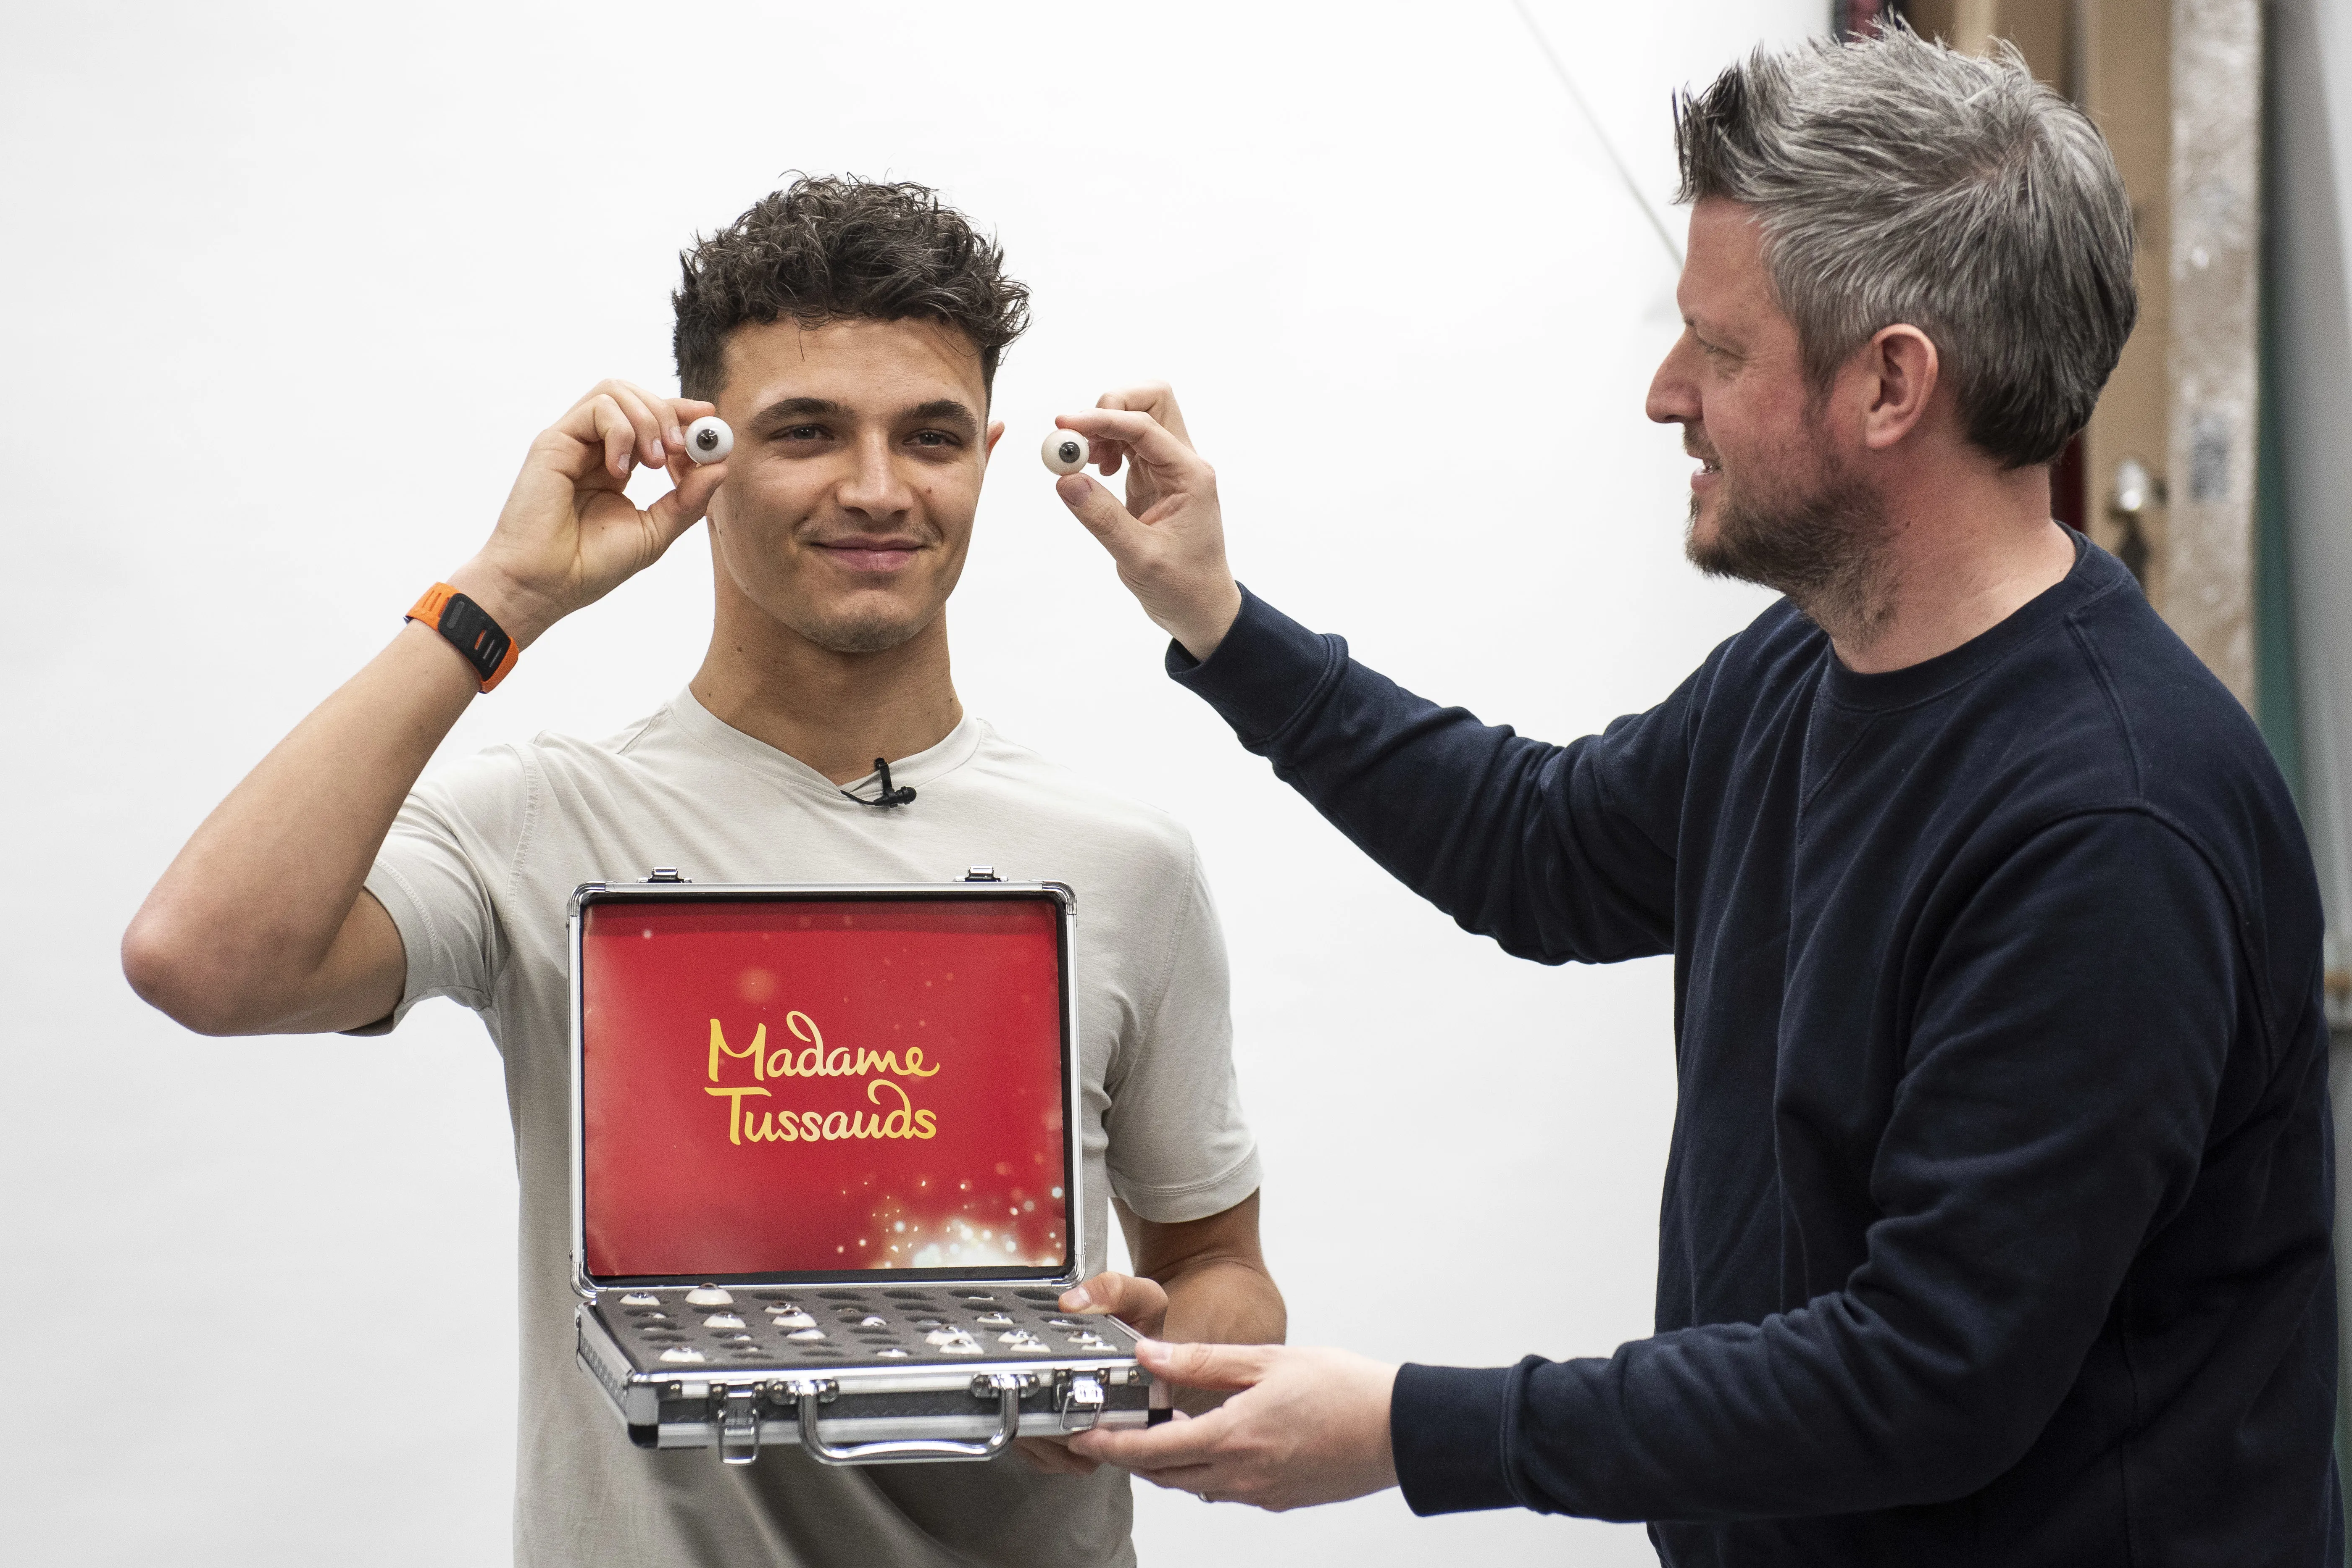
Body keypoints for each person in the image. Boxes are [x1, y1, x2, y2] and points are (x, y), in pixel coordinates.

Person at [1046, 29, 2339, 1566]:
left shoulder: (2109, 829)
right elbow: (1539, 848)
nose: (1668, 394)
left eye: (1717, 350)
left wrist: (1410, 1426)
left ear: (1891, 383)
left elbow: (1926, 1375)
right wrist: (1221, 621)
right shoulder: (1805, 675)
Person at [121, 175, 1283, 1568]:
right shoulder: (542, 824)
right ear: (705, 453)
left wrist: (1148, 1365)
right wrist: (506, 592)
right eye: (806, 432)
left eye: (931, 436)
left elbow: (1220, 1266)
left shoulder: (1125, 863)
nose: (877, 488)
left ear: (986, 454)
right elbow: (203, 957)